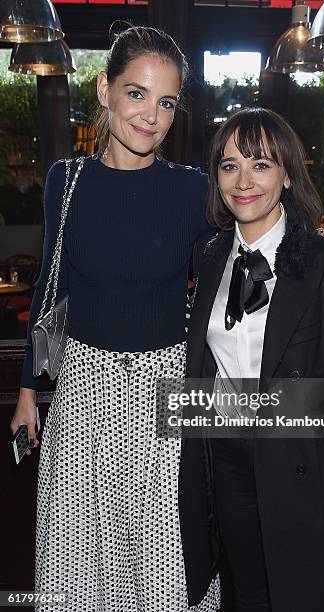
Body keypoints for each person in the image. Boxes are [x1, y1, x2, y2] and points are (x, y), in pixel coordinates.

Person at [10, 25, 220, 612]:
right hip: (82, 396)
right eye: (137, 94)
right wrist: (28, 388)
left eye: (167, 102)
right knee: (81, 561)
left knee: (160, 563)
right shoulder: (66, 181)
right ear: (104, 89)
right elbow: (51, 286)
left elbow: (253, 240)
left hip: (163, 397)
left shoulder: (193, 191)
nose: (151, 116)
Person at [179, 107, 324, 612]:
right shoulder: (208, 257)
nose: (244, 180)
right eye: (230, 165)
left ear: (286, 174)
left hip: (307, 468)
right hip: (229, 463)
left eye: (260, 164)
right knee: (250, 596)